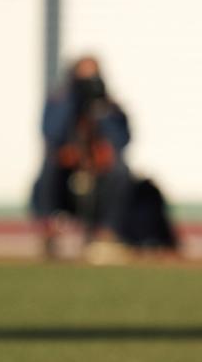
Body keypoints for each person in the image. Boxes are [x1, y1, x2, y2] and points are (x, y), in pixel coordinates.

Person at [31, 56, 134, 261]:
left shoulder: (108, 106)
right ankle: (50, 228)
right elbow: (52, 134)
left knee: (121, 172)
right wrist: (71, 102)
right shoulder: (59, 101)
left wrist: (101, 111)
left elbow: (122, 140)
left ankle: (106, 233)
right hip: (66, 168)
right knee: (49, 169)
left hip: (100, 170)